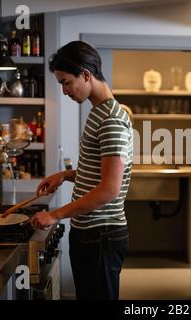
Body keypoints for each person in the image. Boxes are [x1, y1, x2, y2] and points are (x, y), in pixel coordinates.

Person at [30, 41, 133, 300]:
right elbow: (99, 172)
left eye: (66, 82)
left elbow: (109, 189)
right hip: (91, 233)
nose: (65, 91)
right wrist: (65, 175)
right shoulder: (99, 113)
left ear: (86, 74)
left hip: (101, 235)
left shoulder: (110, 119)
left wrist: (55, 215)